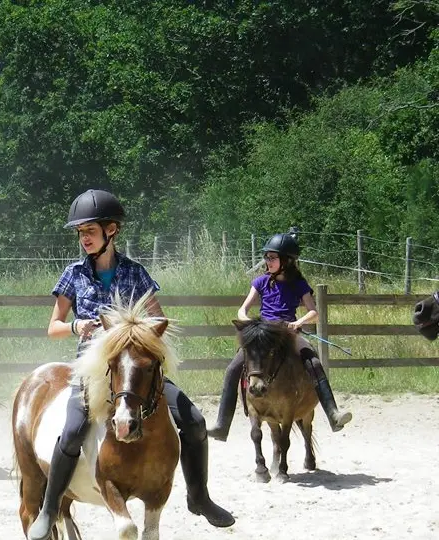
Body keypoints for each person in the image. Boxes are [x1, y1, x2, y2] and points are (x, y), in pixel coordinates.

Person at [28, 189, 234, 540]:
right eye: (80, 233)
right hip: (93, 370)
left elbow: (158, 320)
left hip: (136, 369)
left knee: (195, 422)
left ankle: (199, 496)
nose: (84, 238)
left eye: (89, 231)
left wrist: (146, 333)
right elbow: (53, 328)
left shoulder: (136, 273)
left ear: (112, 231)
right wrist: (78, 326)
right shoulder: (73, 274)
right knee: (74, 430)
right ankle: (49, 508)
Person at [207, 232, 352, 441]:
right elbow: (242, 310)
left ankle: (333, 414)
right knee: (232, 368)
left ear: (287, 261)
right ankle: (222, 424)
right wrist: (250, 323)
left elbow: (314, 312)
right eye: (266, 257)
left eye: (272, 257)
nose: (268, 261)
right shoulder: (260, 282)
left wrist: (298, 323)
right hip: (263, 334)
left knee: (313, 362)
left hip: (288, 334)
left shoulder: (299, 284)